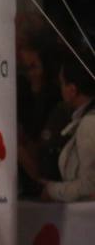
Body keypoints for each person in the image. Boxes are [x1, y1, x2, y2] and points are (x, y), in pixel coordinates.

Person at [38, 62, 95, 202]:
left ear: (72, 90)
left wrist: (52, 190)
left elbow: (90, 187)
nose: (60, 89)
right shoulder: (85, 121)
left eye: (62, 84)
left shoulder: (89, 123)